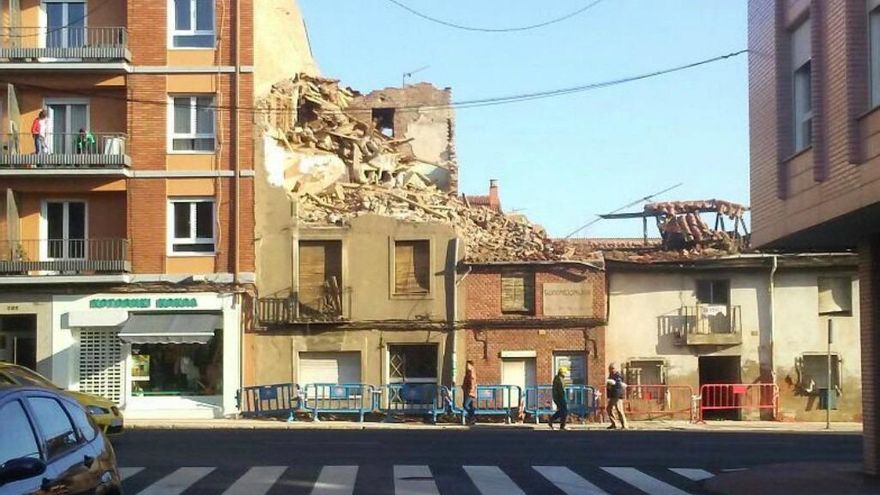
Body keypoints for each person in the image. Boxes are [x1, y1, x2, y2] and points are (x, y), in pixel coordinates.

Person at [606, 363, 629, 430]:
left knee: (619, 410)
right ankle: (614, 424)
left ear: (616, 369)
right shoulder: (611, 375)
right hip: (613, 395)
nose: (611, 370)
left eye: (612, 368)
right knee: (609, 409)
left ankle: (624, 425)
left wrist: (611, 382)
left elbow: (617, 384)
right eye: (610, 368)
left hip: (617, 395)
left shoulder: (618, 376)